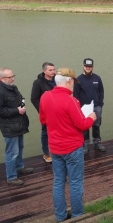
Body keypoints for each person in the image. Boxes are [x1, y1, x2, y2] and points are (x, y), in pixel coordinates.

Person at [40, 67, 96, 222]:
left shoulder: (45, 97)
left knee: (58, 182)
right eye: (73, 82)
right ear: (69, 81)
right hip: (72, 149)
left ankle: (60, 216)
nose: (73, 86)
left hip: (55, 149)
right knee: (75, 183)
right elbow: (82, 124)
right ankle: (77, 216)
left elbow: (43, 121)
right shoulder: (71, 100)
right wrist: (91, 117)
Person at [0, 67, 32, 186]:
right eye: (10, 77)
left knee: (20, 146)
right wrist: (16, 110)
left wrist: (21, 105)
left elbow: (18, 99)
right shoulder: (1, 91)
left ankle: (19, 167)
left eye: (13, 76)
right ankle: (11, 177)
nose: (13, 78)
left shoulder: (13, 88)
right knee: (12, 152)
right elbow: (1, 111)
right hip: (9, 126)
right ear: (2, 78)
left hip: (18, 123)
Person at [73, 58, 105, 154]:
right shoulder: (78, 80)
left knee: (96, 126)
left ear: (92, 67)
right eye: (86, 66)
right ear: (83, 67)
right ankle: (85, 144)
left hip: (96, 107)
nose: (88, 68)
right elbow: (76, 95)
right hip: (84, 108)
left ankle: (97, 142)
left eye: (90, 67)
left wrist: (100, 104)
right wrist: (80, 108)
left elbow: (101, 92)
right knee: (85, 127)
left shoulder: (97, 78)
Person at [30, 62, 56, 162]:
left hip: (58, 111)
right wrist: (42, 111)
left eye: (53, 69)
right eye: (50, 70)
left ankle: (56, 150)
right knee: (45, 132)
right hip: (46, 113)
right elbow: (34, 99)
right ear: (44, 71)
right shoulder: (38, 83)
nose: (53, 72)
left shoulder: (57, 80)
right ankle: (46, 153)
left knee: (57, 130)